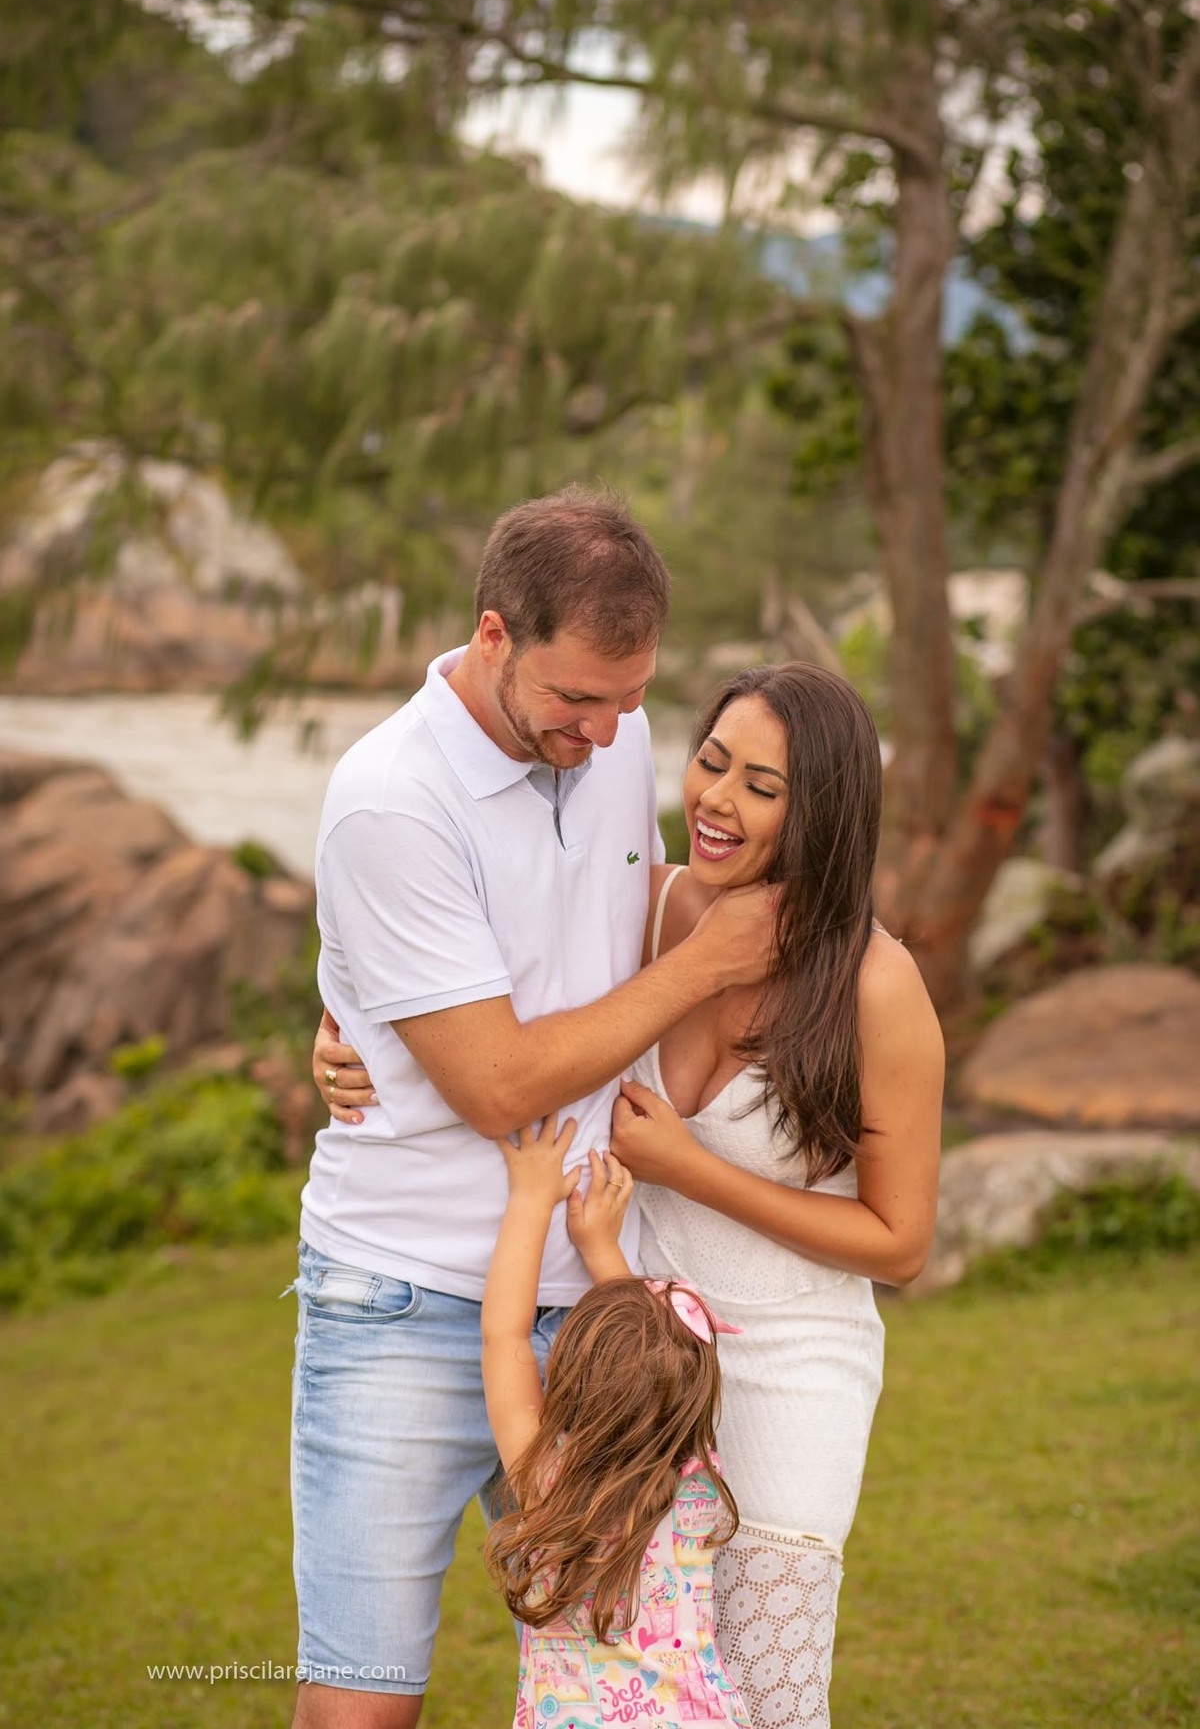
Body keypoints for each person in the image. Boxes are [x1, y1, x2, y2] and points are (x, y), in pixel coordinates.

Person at [321, 659, 945, 1729]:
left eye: (762, 785)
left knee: (775, 1705)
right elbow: (457, 971)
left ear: (825, 809)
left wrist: (693, 1170)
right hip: (634, 1376)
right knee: (637, 1688)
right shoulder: (649, 909)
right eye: (710, 763)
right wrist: (344, 1038)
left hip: (789, 1375)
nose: (715, 801)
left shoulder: (875, 986)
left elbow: (900, 1242)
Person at [292, 485, 776, 1729]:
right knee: (365, 1702)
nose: (611, 735)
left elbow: (612, 918)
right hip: (401, 1293)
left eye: (630, 698)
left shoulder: (611, 730)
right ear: (493, 635)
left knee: (627, 1677)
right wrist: (710, 964)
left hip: (598, 1314)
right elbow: (497, 1080)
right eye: (579, 700)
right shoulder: (392, 796)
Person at [480, 1112, 751, 1727]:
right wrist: (604, 1247)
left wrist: (530, 1198)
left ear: (571, 1376)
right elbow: (656, 1365)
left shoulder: (551, 1484)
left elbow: (505, 1339)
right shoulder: (699, 1483)